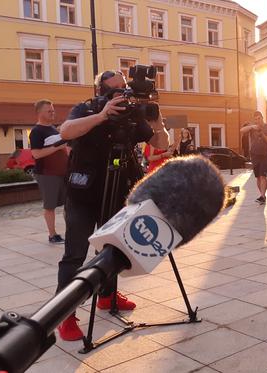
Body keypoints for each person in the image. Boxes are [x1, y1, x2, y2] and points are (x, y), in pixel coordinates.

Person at [55, 70, 169, 341]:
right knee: (75, 254)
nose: (122, 94)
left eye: (124, 89)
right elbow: (65, 131)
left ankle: (107, 296)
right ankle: (65, 314)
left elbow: (161, 143)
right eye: (115, 90)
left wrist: (156, 116)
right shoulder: (87, 108)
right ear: (101, 93)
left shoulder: (132, 115)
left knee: (113, 249)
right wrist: (102, 116)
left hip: (117, 191)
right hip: (83, 194)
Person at [29, 99, 68, 244]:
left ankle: (71, 231)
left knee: (69, 203)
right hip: (47, 174)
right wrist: (57, 147)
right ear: (39, 113)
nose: (53, 113)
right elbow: (36, 154)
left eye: (53, 110)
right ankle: (52, 235)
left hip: (63, 172)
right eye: (49, 111)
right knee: (50, 205)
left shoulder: (53, 129)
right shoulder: (36, 132)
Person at [241, 111, 267, 205]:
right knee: (258, 177)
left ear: (262, 117)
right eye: (255, 119)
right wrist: (252, 127)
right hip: (254, 155)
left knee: (263, 176)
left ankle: (263, 196)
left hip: (264, 154)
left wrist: (263, 134)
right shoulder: (253, 127)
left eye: (259, 118)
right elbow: (242, 130)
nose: (257, 120)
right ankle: (262, 195)